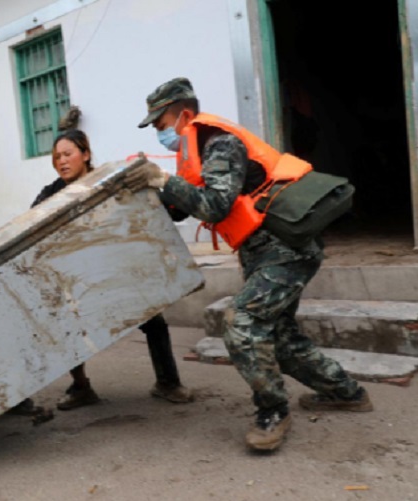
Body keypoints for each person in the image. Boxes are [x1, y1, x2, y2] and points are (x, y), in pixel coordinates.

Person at [126, 77, 373, 452]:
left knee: (242, 322)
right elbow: (186, 204)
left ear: (184, 115)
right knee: (280, 337)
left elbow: (215, 206)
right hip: (263, 250)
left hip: (285, 246)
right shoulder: (196, 148)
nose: (159, 134)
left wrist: (162, 179)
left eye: (160, 125)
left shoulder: (218, 142)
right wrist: (156, 191)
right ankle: (345, 392)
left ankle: (273, 412)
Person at [34, 128, 194, 411]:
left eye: (67, 154)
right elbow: (30, 225)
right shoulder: (52, 194)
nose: (61, 161)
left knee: (154, 321)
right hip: (82, 277)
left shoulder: (109, 182)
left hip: (121, 270)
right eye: (56, 157)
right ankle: (81, 387)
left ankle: (168, 382)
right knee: (69, 327)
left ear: (85, 154)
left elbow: (161, 209)